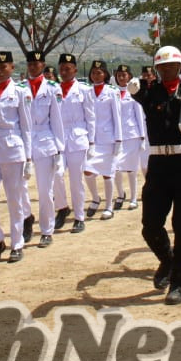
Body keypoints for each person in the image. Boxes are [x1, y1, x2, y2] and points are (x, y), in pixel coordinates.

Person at [128, 45, 181, 306]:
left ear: (180, 67)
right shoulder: (151, 93)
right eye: (162, 67)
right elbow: (136, 93)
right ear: (157, 69)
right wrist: (132, 88)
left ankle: (178, 283)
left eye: (171, 66)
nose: (167, 70)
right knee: (150, 225)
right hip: (158, 166)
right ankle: (167, 260)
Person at [0, 50, 33, 263]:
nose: (0, 71)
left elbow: (27, 127)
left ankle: (17, 243)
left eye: (4, 67)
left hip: (13, 150)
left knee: (14, 200)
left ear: (11, 67)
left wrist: (28, 159)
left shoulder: (20, 92)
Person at [25, 51, 66, 246]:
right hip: (23, 141)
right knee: (19, 188)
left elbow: (57, 120)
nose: (33, 66)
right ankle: (26, 219)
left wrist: (59, 149)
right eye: (30, 63)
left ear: (43, 65)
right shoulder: (20, 88)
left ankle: (46, 230)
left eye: (37, 63)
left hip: (45, 140)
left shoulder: (52, 88)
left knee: (45, 190)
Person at [54, 52, 94, 233]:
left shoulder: (85, 90)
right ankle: (62, 208)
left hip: (78, 138)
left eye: (68, 68)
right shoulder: (54, 90)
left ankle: (79, 217)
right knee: (56, 174)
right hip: (59, 139)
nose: (64, 71)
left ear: (75, 70)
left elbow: (91, 117)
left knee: (76, 180)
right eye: (62, 68)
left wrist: (91, 142)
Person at [84, 60, 125, 220]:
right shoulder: (87, 92)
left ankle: (109, 206)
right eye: (93, 72)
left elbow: (117, 116)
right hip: (92, 139)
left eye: (99, 72)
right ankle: (95, 197)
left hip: (109, 139)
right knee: (87, 171)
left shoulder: (112, 91)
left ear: (106, 74)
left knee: (108, 174)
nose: (96, 75)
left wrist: (119, 141)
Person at [113, 64, 147, 212]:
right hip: (117, 136)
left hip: (132, 135)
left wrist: (142, 137)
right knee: (115, 168)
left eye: (124, 75)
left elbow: (139, 116)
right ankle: (121, 194)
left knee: (132, 170)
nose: (121, 77)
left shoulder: (134, 93)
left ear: (129, 77)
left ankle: (133, 198)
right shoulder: (112, 92)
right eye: (119, 75)